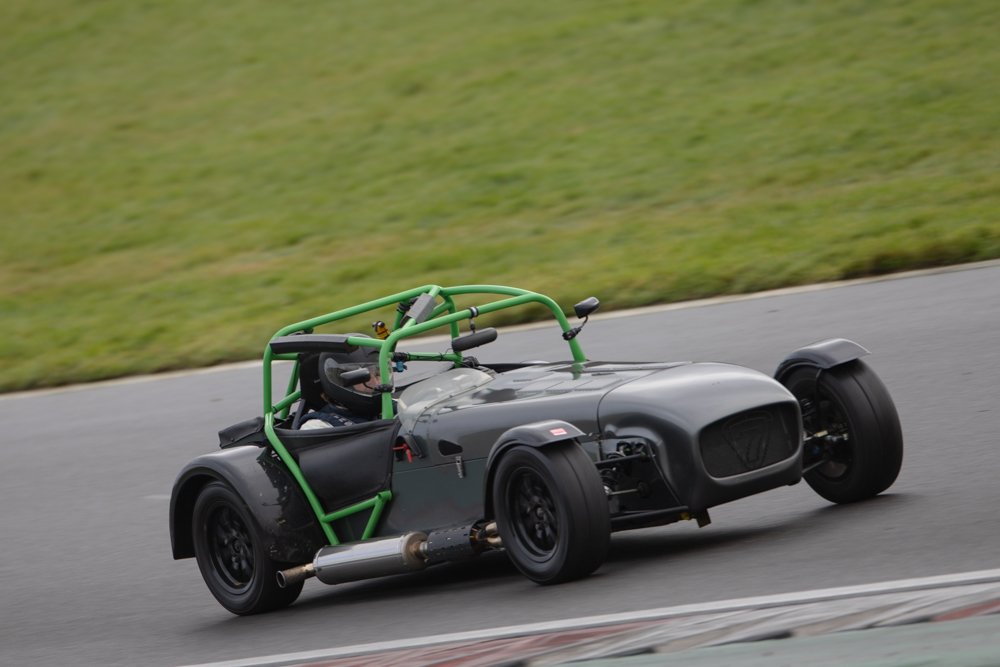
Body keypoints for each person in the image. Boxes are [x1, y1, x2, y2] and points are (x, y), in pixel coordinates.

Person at [298, 336, 384, 429]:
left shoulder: (392, 405)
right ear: (341, 381)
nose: (377, 383)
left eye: (378, 374)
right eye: (365, 377)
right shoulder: (318, 426)